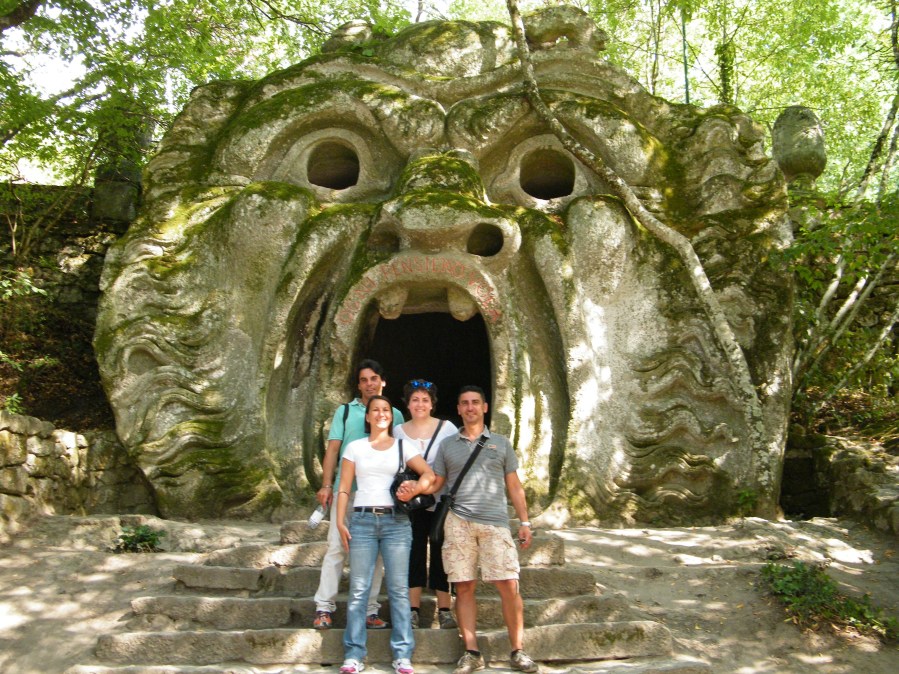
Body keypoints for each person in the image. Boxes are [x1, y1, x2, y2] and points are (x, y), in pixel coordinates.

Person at [431, 386, 539, 674]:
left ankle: (517, 650)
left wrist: (525, 521)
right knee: (463, 586)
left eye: (475, 403)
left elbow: (514, 486)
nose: (470, 408)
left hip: (495, 522)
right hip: (458, 522)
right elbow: (437, 482)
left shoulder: (501, 443)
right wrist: (411, 488)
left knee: (508, 584)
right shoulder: (448, 445)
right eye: (464, 403)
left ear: (485, 407)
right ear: (458, 409)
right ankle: (471, 651)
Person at [336, 395, 436, 674]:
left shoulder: (404, 446)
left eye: (386, 410)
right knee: (358, 590)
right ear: (367, 417)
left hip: (396, 522)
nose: (381, 414)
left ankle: (403, 654)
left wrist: (416, 487)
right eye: (375, 410)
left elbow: (430, 475)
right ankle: (354, 653)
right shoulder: (355, 447)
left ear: (392, 417)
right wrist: (339, 521)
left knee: (398, 589)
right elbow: (344, 487)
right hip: (363, 520)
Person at [312, 359, 405, 630]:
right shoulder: (344, 412)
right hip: (346, 492)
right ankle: (324, 607)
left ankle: (370, 609)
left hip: (379, 495)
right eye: (364, 380)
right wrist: (326, 484)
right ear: (358, 385)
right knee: (337, 548)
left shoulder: (394, 415)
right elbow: (332, 450)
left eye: (374, 378)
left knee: (376, 554)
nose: (369, 384)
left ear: (383, 381)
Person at [394, 379, 459, 630]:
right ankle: (413, 608)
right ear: (407, 404)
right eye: (415, 399)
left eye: (425, 399)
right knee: (414, 551)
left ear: (432, 404)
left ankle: (444, 609)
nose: (420, 404)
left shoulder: (447, 428)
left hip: (441, 500)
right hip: (413, 502)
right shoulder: (398, 431)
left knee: (442, 551)